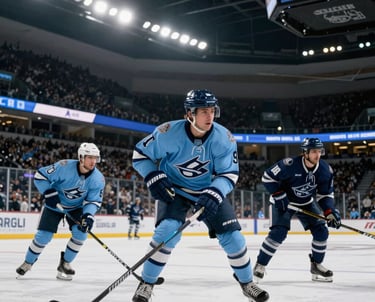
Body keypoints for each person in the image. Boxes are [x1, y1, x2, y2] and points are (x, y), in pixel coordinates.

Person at [131, 89, 269, 302]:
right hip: (174, 190)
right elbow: (140, 155)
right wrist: (153, 175)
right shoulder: (166, 133)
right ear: (189, 114)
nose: (210, 116)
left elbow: (229, 173)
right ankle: (146, 283)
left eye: (212, 111)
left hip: (208, 192)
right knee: (167, 232)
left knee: (233, 237)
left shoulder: (224, 138)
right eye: (204, 111)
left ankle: (247, 282)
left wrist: (215, 192)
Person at [253, 138, 341, 283]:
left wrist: (330, 211)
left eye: (319, 151)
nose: (317, 155)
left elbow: (325, 195)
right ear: (305, 152)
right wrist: (278, 194)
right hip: (283, 202)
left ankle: (316, 266)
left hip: (306, 202)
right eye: (313, 151)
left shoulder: (325, 170)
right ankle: (260, 265)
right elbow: (267, 177)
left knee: (321, 231)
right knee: (278, 233)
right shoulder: (289, 165)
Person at [16, 142, 105, 281]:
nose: (93, 161)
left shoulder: (98, 178)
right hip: (54, 205)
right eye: (89, 157)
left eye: (96, 158)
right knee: (44, 236)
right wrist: (48, 192)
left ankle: (65, 264)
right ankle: (28, 262)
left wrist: (88, 215)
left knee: (81, 233)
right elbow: (40, 176)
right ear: (81, 157)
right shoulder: (63, 166)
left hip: (76, 208)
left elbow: (94, 201)